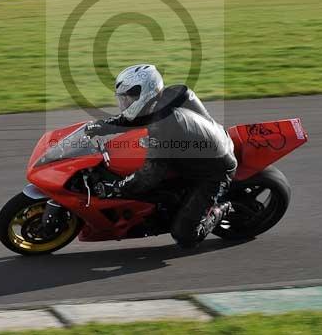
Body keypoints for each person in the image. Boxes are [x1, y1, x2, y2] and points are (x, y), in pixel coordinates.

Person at [84, 64, 237, 248]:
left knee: (185, 236)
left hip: (215, 171)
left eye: (130, 98)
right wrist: (104, 126)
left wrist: (115, 188)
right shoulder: (162, 100)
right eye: (123, 98)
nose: (125, 103)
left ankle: (223, 208)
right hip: (200, 148)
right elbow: (136, 118)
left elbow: (149, 176)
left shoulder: (162, 126)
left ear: (145, 94)